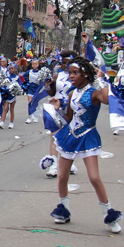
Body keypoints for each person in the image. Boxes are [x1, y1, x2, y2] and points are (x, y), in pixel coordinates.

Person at [49, 56, 122, 233]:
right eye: (70, 73)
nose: (71, 76)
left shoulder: (94, 92)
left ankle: (109, 214)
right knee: (62, 176)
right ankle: (63, 210)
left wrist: (100, 79)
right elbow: (68, 118)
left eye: (75, 73)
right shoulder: (72, 93)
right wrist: (57, 107)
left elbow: (107, 99)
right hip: (70, 137)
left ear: (86, 75)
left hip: (88, 136)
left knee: (94, 177)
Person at [43, 49, 79, 177]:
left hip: (72, 108)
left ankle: (70, 162)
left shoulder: (79, 76)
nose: (65, 65)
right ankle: (53, 165)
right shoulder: (58, 74)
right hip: (56, 107)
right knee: (54, 136)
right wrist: (48, 86)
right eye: (63, 62)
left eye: (68, 62)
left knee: (71, 135)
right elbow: (52, 92)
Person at [0, 63, 21, 129]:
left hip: (13, 95)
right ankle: (2, 122)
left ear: (15, 69)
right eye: (10, 69)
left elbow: (20, 86)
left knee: (12, 109)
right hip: (7, 94)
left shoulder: (17, 77)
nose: (11, 70)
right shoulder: (7, 76)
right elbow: (4, 84)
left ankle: (11, 122)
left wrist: (16, 89)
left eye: (12, 68)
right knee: (5, 108)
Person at [23, 59, 44, 123]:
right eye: (33, 64)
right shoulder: (29, 72)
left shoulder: (40, 72)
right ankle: (30, 117)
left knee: (36, 103)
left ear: (38, 65)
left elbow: (43, 79)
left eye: (36, 64)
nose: (34, 65)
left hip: (37, 89)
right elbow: (24, 76)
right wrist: (27, 82)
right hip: (31, 89)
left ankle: (36, 116)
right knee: (30, 103)